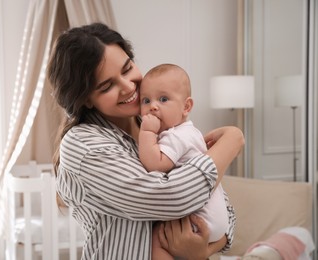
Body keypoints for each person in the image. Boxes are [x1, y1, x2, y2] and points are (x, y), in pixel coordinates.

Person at [47, 22, 244, 260]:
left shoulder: (159, 125)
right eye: (107, 85)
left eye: (127, 68)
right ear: (85, 99)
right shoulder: (84, 145)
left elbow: (225, 210)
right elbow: (173, 197)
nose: (128, 86)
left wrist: (203, 250)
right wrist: (231, 142)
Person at [138, 63, 231, 260]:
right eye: (146, 100)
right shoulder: (188, 132)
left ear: (186, 107)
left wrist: (146, 132)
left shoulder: (178, 135)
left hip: (201, 220)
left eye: (163, 99)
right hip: (214, 220)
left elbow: (155, 164)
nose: (152, 106)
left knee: (157, 238)